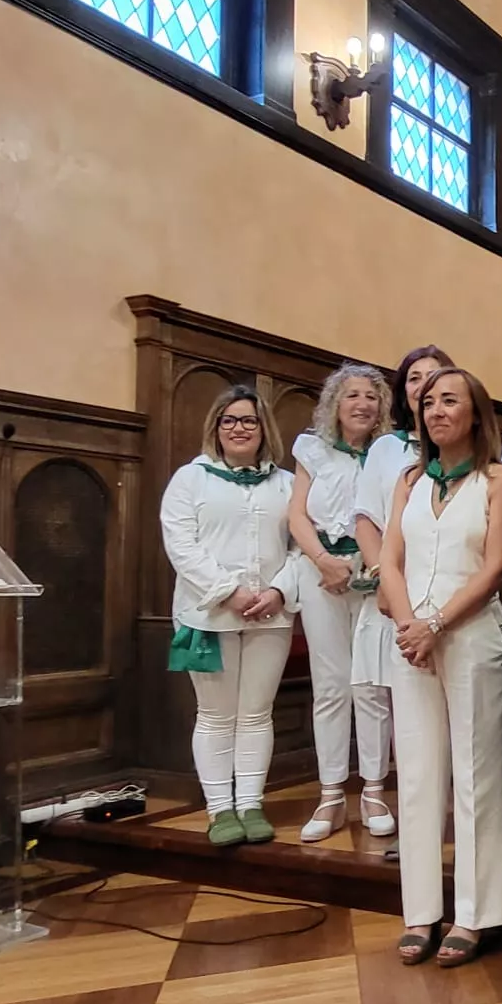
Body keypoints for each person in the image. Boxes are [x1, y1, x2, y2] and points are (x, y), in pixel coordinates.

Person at [378, 368, 502, 967]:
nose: (436, 410)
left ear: (474, 412)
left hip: (472, 640)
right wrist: (412, 625)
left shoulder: (497, 479)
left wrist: (436, 625)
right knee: (416, 776)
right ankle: (421, 911)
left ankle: (475, 913)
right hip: (411, 642)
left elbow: (496, 569)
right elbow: (389, 559)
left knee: (476, 775)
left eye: (449, 400)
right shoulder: (409, 480)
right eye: (429, 401)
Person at [159, 385, 296, 847]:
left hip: (270, 616)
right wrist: (228, 591)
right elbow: (181, 545)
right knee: (216, 715)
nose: (239, 428)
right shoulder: (190, 479)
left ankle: (251, 804)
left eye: (249, 421)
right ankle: (220, 809)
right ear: (215, 428)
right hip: (208, 615)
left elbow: (302, 547)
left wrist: (279, 590)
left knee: (256, 713)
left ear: (264, 430)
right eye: (229, 421)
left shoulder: (287, 484)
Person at [286, 363, 393, 843]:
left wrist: (379, 567)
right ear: (335, 402)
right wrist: (322, 560)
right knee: (331, 686)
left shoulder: (390, 453)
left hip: (373, 574)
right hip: (321, 572)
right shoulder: (311, 447)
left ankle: (373, 787)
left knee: (371, 684)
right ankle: (330, 792)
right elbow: (296, 513)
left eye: (371, 396)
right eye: (352, 395)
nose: (362, 404)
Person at [349, 345, 451, 835]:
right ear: (403, 390)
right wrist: (384, 578)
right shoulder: (387, 450)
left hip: (445, 593)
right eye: (414, 379)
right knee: (385, 692)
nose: (423, 387)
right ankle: (381, 794)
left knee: (439, 697)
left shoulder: (461, 448)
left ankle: (439, 802)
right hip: (394, 590)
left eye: (434, 378)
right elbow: (367, 518)